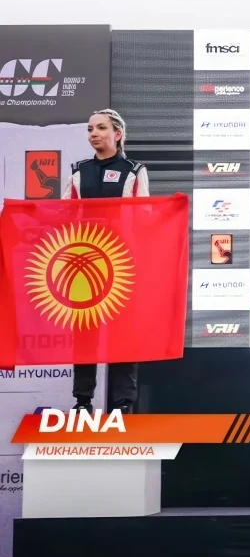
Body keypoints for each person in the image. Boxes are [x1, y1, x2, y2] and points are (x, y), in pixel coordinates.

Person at [63, 109, 150, 413]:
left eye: (101, 128)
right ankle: (82, 400)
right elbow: (65, 214)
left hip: (122, 264)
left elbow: (144, 216)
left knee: (123, 332)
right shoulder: (79, 170)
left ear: (118, 133)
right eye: (90, 129)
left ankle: (123, 403)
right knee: (85, 333)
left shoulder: (134, 170)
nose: (94, 134)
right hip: (85, 264)